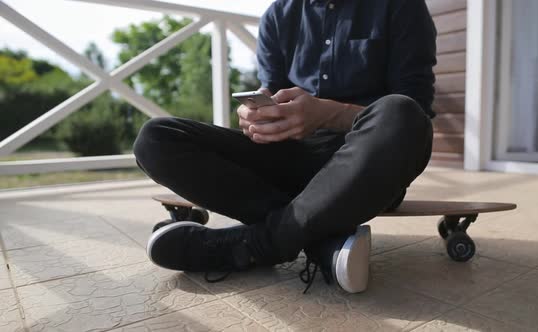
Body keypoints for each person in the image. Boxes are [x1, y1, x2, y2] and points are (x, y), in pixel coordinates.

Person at [134, 0, 436, 294]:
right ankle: (316, 239)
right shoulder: (278, 16)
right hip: (293, 158)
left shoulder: (400, 5)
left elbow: (415, 110)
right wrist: (258, 118)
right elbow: (274, 95)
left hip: (366, 165)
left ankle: (252, 246)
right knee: (156, 139)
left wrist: (328, 113)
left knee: (402, 114)